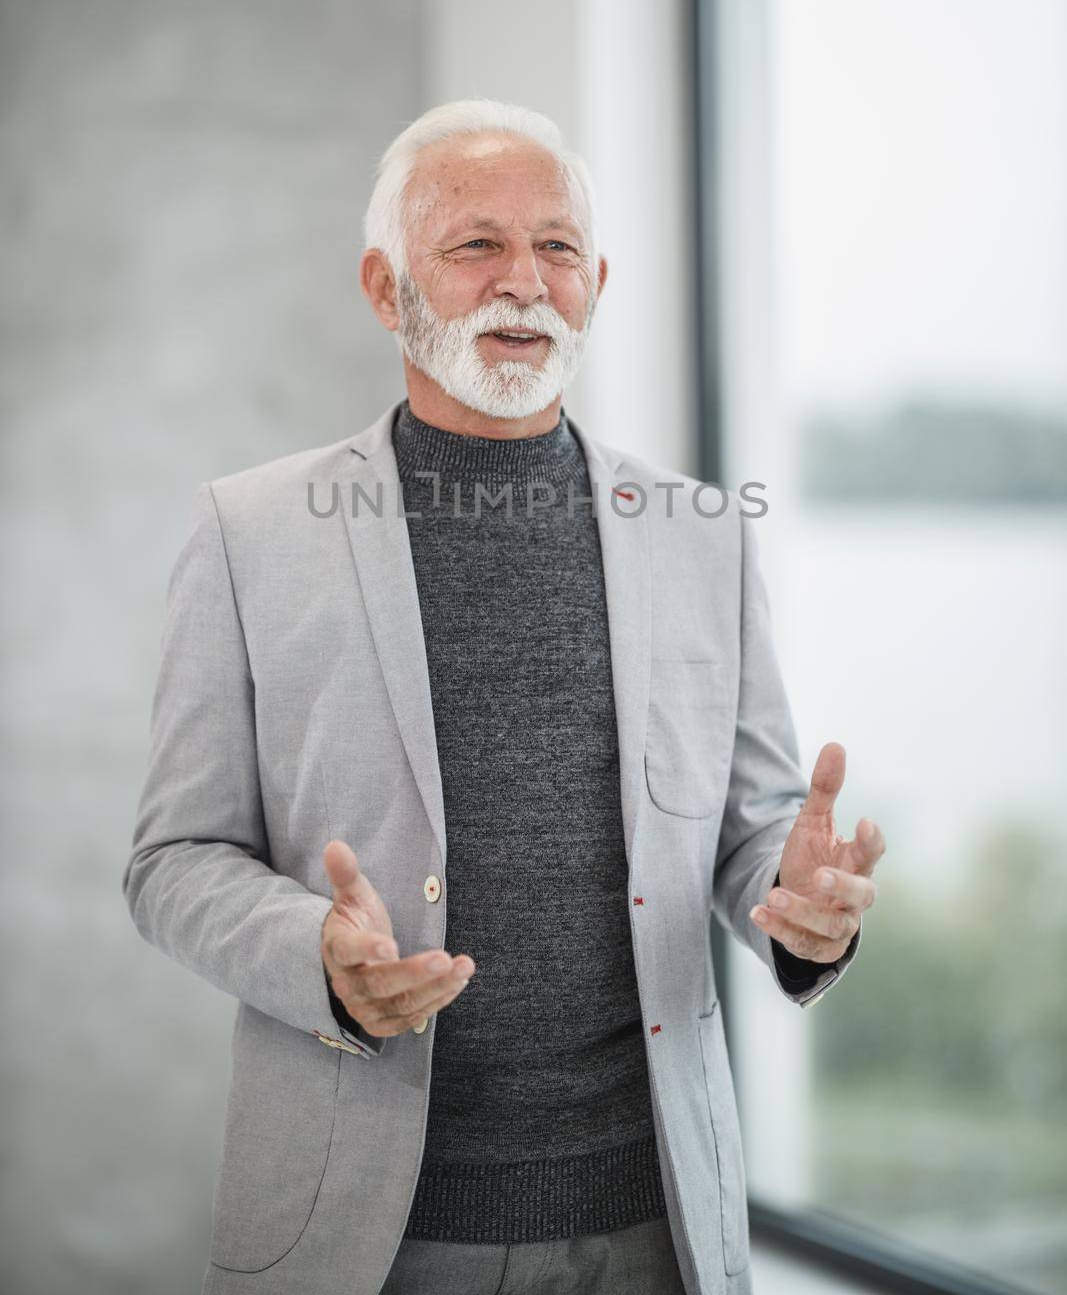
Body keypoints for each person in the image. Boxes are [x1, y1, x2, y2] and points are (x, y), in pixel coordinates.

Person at [122, 98, 884, 1295]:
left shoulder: (698, 535)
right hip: (366, 1229)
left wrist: (793, 907)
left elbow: (750, 834)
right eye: (475, 244)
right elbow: (173, 857)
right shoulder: (248, 533)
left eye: (558, 247)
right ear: (386, 287)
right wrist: (312, 953)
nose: (523, 281)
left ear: (596, 281)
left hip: (657, 1224)